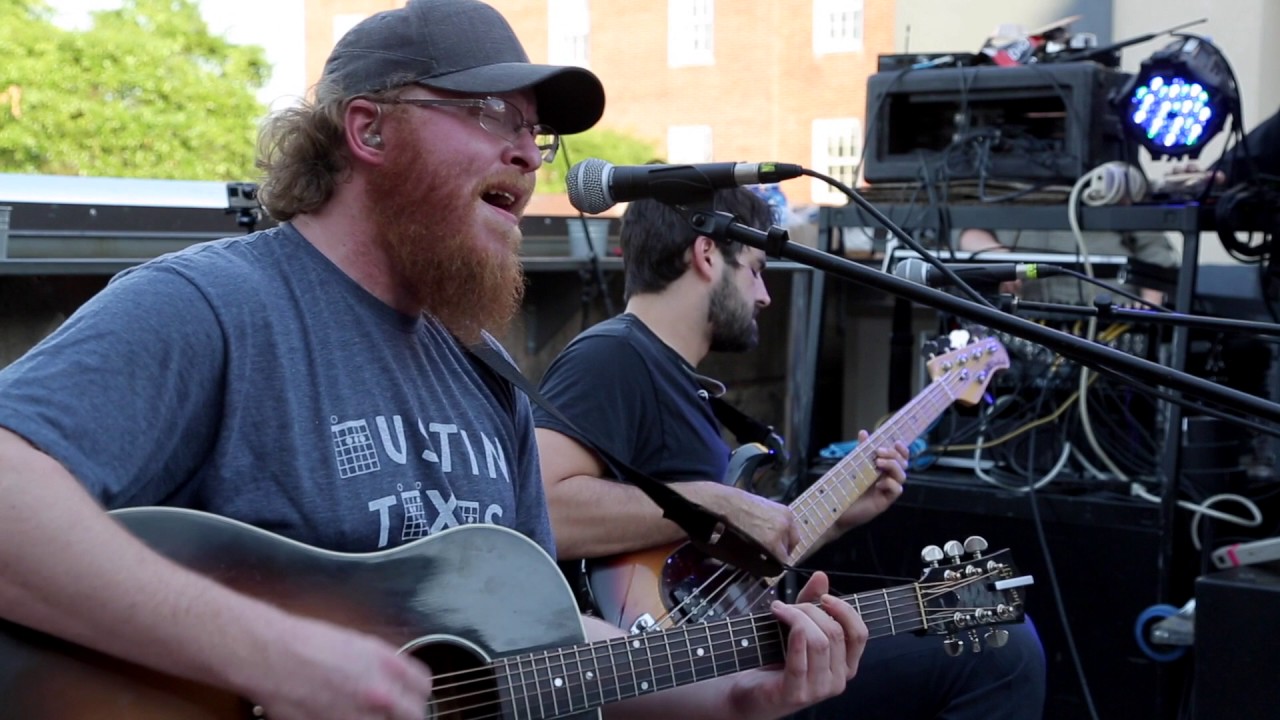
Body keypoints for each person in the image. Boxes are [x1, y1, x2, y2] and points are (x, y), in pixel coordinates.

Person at [0, 2, 870, 719]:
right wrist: (270, 654)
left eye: (538, 133)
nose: (529, 154)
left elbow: (537, 642)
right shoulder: (213, 308)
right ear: (370, 131)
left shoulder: (484, 373)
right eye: (495, 115)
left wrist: (737, 693)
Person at [534, 187, 1048, 720]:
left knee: (988, 616)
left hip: (724, 654)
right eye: (756, 269)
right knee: (1000, 645)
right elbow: (542, 511)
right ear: (707, 254)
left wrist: (836, 518)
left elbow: (707, 573)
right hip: (667, 674)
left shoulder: (679, 383)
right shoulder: (612, 355)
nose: (765, 296)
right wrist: (720, 501)